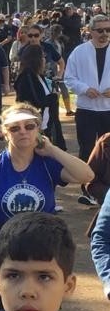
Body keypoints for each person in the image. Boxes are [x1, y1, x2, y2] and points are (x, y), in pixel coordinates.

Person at [0, 103, 93, 311]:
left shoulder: (47, 165)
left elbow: (86, 175)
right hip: (3, 256)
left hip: (45, 254)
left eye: (29, 126)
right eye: (15, 128)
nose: (23, 131)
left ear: (38, 130)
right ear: (5, 132)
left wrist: (52, 150)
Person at [63, 13, 110, 206]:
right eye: (100, 30)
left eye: (108, 30)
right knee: (87, 148)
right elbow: (69, 78)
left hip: (108, 109)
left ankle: (106, 188)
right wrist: (84, 89)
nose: (104, 34)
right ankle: (88, 187)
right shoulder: (79, 52)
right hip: (87, 109)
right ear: (90, 31)